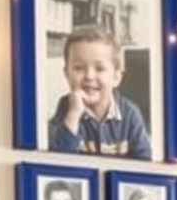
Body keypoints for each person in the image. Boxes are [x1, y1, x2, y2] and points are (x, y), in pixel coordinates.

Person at [48, 24, 152, 160]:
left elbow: (145, 161)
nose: (89, 76)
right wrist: (73, 114)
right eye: (79, 68)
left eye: (99, 68)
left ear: (116, 78)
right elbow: (57, 161)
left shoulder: (130, 114)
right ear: (67, 74)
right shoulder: (65, 108)